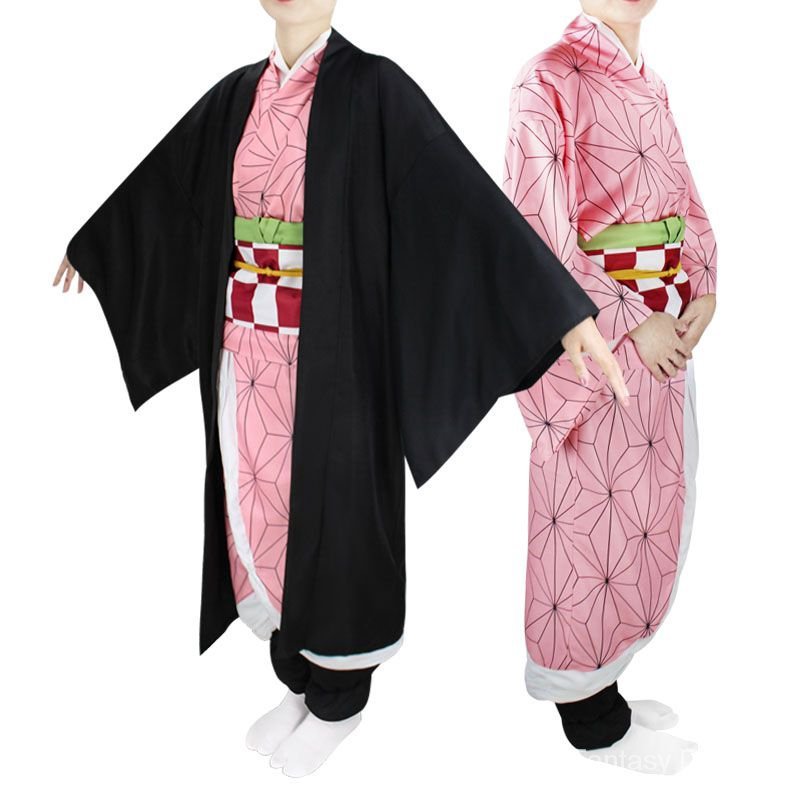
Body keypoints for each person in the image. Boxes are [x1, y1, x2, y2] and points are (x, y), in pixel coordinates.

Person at [54, 0, 628, 778]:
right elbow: (166, 189)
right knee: (259, 512)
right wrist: (99, 246)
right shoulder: (235, 96)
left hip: (337, 362)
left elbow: (461, 202)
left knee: (337, 522)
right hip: (244, 357)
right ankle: (296, 679)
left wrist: (559, 309)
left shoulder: (375, 89)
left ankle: (339, 702)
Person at [503, 0, 717, 774]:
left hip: (664, 329)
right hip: (598, 345)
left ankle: (609, 675)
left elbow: (685, 204)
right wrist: (628, 320)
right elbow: (533, 232)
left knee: (646, 511)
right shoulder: (545, 80)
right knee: (588, 522)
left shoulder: (649, 83)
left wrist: (704, 285)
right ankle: (588, 718)